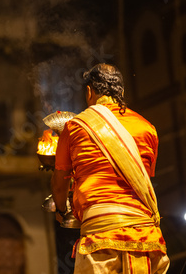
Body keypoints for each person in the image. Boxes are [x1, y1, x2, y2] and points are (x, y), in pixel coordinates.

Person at [51, 63, 170, 274]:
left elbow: (60, 184)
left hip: (100, 235)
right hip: (146, 236)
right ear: (121, 92)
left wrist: (62, 211)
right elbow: (143, 180)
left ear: (89, 92)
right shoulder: (147, 127)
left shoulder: (75, 126)